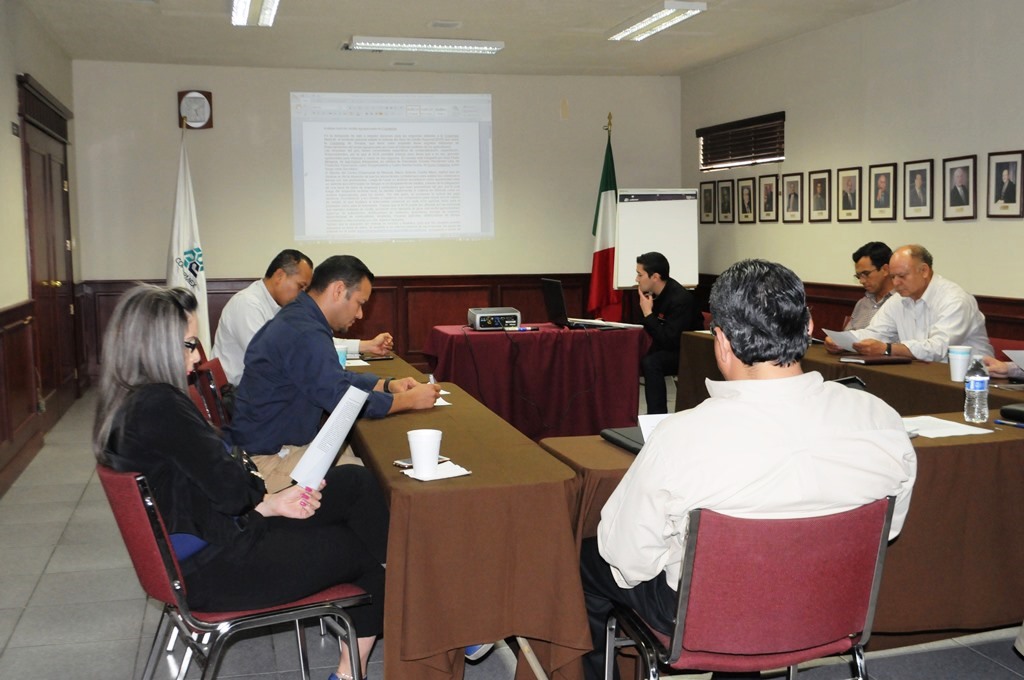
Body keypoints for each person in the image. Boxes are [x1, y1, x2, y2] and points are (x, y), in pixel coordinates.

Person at [579, 259, 917, 680]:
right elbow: (889, 527)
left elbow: (627, 557)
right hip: (826, 607)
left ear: (721, 341)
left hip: (708, 619)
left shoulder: (682, 435)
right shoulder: (880, 418)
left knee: (590, 559)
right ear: (808, 326)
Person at [93, 285, 387, 680]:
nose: (197, 357)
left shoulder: (125, 403)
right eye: (189, 344)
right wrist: (251, 485)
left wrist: (267, 502)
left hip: (201, 549)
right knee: (365, 550)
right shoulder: (161, 405)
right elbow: (234, 490)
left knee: (353, 481)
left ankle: (412, 595)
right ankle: (362, 662)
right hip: (214, 567)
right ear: (156, 345)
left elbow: (204, 490)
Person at [228, 255, 440, 492]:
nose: (360, 314)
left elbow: (332, 379)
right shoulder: (304, 331)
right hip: (267, 464)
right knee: (374, 482)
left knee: (366, 463)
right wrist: (408, 400)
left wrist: (386, 385)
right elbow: (342, 400)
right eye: (359, 303)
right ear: (339, 290)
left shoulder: (302, 319)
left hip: (280, 448)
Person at [211, 249, 393, 385]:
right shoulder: (247, 304)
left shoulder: (282, 307)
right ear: (279, 276)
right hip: (237, 396)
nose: (304, 294)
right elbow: (282, 357)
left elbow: (313, 343)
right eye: (301, 286)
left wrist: (366, 345)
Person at [827, 244, 993, 361]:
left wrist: (888, 349)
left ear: (924, 271)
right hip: (922, 374)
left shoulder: (955, 300)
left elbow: (938, 348)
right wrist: (843, 341)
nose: (896, 283)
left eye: (902, 276)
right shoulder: (898, 300)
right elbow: (876, 332)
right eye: (893, 277)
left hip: (972, 380)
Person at [635, 252, 703, 415]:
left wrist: (648, 314)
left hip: (688, 350)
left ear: (655, 277)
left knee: (651, 362)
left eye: (640, 275)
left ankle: (656, 416)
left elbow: (670, 340)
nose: (636, 279)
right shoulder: (652, 295)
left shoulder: (680, 299)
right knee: (630, 355)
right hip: (667, 345)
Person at [844, 241, 895, 330]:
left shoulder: (903, 302)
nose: (861, 281)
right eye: (858, 276)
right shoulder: (862, 303)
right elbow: (847, 333)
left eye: (866, 274)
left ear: (885, 270)